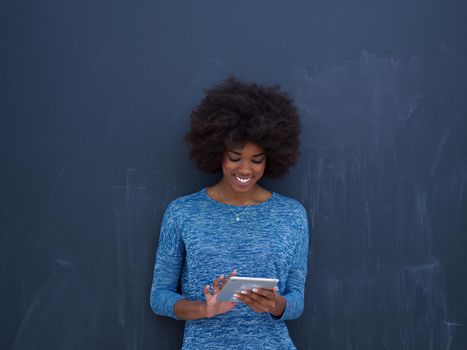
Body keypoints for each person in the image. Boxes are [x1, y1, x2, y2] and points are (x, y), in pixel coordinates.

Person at [149, 76, 309, 349]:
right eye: (235, 158)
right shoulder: (182, 213)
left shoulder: (292, 215)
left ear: (271, 157)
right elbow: (159, 297)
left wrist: (276, 304)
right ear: (217, 153)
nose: (245, 170)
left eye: (256, 160)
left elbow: (296, 300)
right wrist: (205, 310)